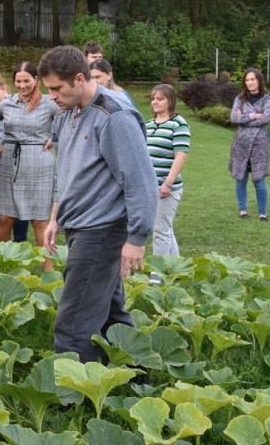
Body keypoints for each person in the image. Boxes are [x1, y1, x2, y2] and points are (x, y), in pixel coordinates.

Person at [38, 45, 157, 363]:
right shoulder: (66, 115)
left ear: (79, 78)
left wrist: (137, 238)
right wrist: (55, 217)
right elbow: (66, 174)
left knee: (73, 321)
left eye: (56, 88)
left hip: (102, 231)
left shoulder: (114, 118)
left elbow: (141, 182)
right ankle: (137, 376)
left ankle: (71, 401)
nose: (52, 96)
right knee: (110, 315)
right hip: (77, 226)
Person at [0, 62, 60, 269]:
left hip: (39, 163)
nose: (22, 85)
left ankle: (48, 267)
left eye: (26, 80)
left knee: (39, 220)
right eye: (18, 81)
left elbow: (70, 120)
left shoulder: (48, 103)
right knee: (5, 218)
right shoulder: (7, 103)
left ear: (36, 80)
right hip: (11, 162)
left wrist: (55, 138)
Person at [0, 74, 29, 243]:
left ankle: (20, 243)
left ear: (4, 89)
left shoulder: (15, 107)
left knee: (19, 208)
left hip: (17, 169)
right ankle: (1, 247)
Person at [146, 84, 190, 256]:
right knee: (165, 229)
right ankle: (176, 267)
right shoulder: (148, 125)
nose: (155, 102)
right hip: (150, 187)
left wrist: (167, 184)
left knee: (160, 232)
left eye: (160, 98)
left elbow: (181, 155)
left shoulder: (178, 124)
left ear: (170, 101)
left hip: (167, 189)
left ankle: (158, 276)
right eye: (153, 98)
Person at [229, 68, 270, 221]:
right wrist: (254, 115)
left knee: (259, 180)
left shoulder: (268, 98)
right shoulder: (240, 99)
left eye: (252, 79)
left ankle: (262, 212)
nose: (249, 83)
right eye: (247, 80)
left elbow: (267, 118)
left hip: (259, 146)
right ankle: (242, 209)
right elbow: (234, 118)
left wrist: (245, 118)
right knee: (241, 178)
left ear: (259, 80)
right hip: (241, 144)